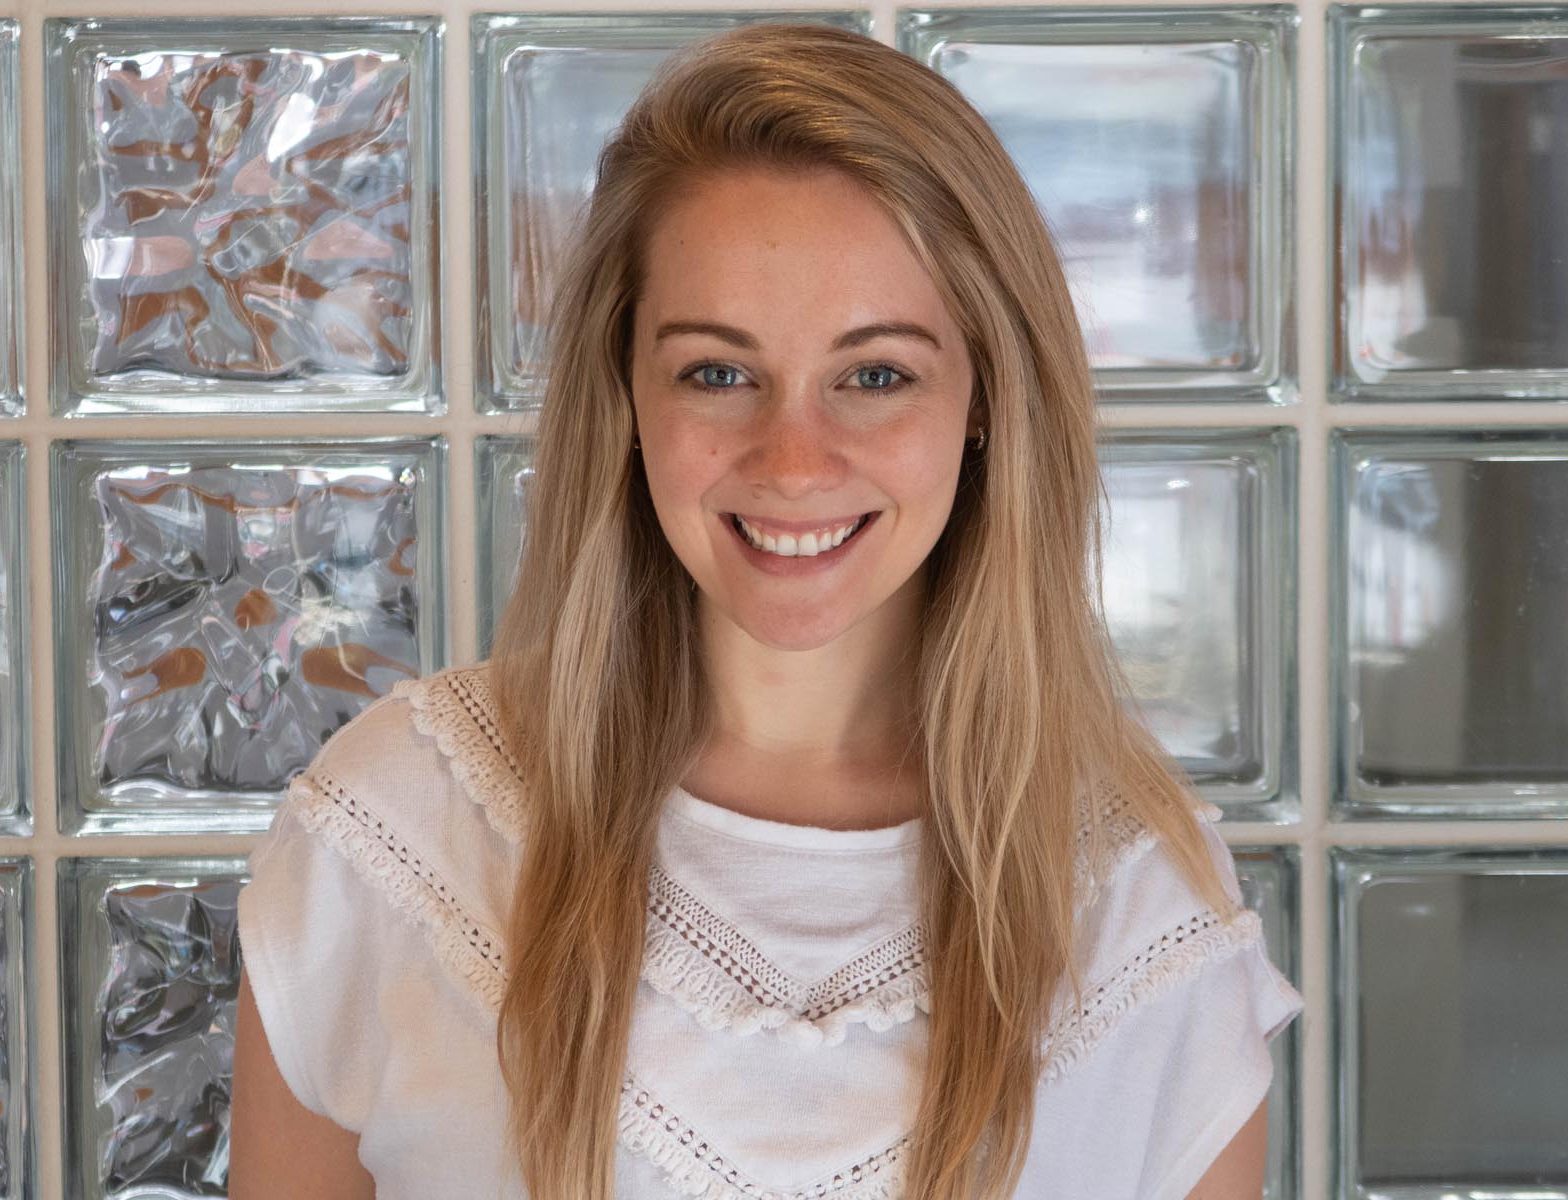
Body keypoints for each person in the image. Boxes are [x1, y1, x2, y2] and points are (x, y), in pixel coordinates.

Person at [229, 22, 1303, 1200]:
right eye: (718, 373)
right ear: (624, 394)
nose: (793, 462)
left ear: (985, 397)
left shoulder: (1143, 900)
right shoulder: (395, 836)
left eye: (875, 374)